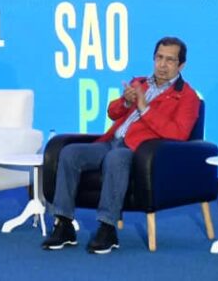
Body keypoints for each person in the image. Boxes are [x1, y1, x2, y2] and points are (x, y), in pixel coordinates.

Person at [42, 36, 200, 254]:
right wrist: (126, 101)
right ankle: (64, 224)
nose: (162, 65)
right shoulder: (141, 83)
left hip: (138, 152)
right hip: (111, 142)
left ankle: (108, 229)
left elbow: (179, 134)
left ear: (181, 65)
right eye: (159, 58)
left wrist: (145, 108)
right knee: (70, 153)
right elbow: (112, 112)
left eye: (170, 60)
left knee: (115, 158)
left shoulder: (187, 97)